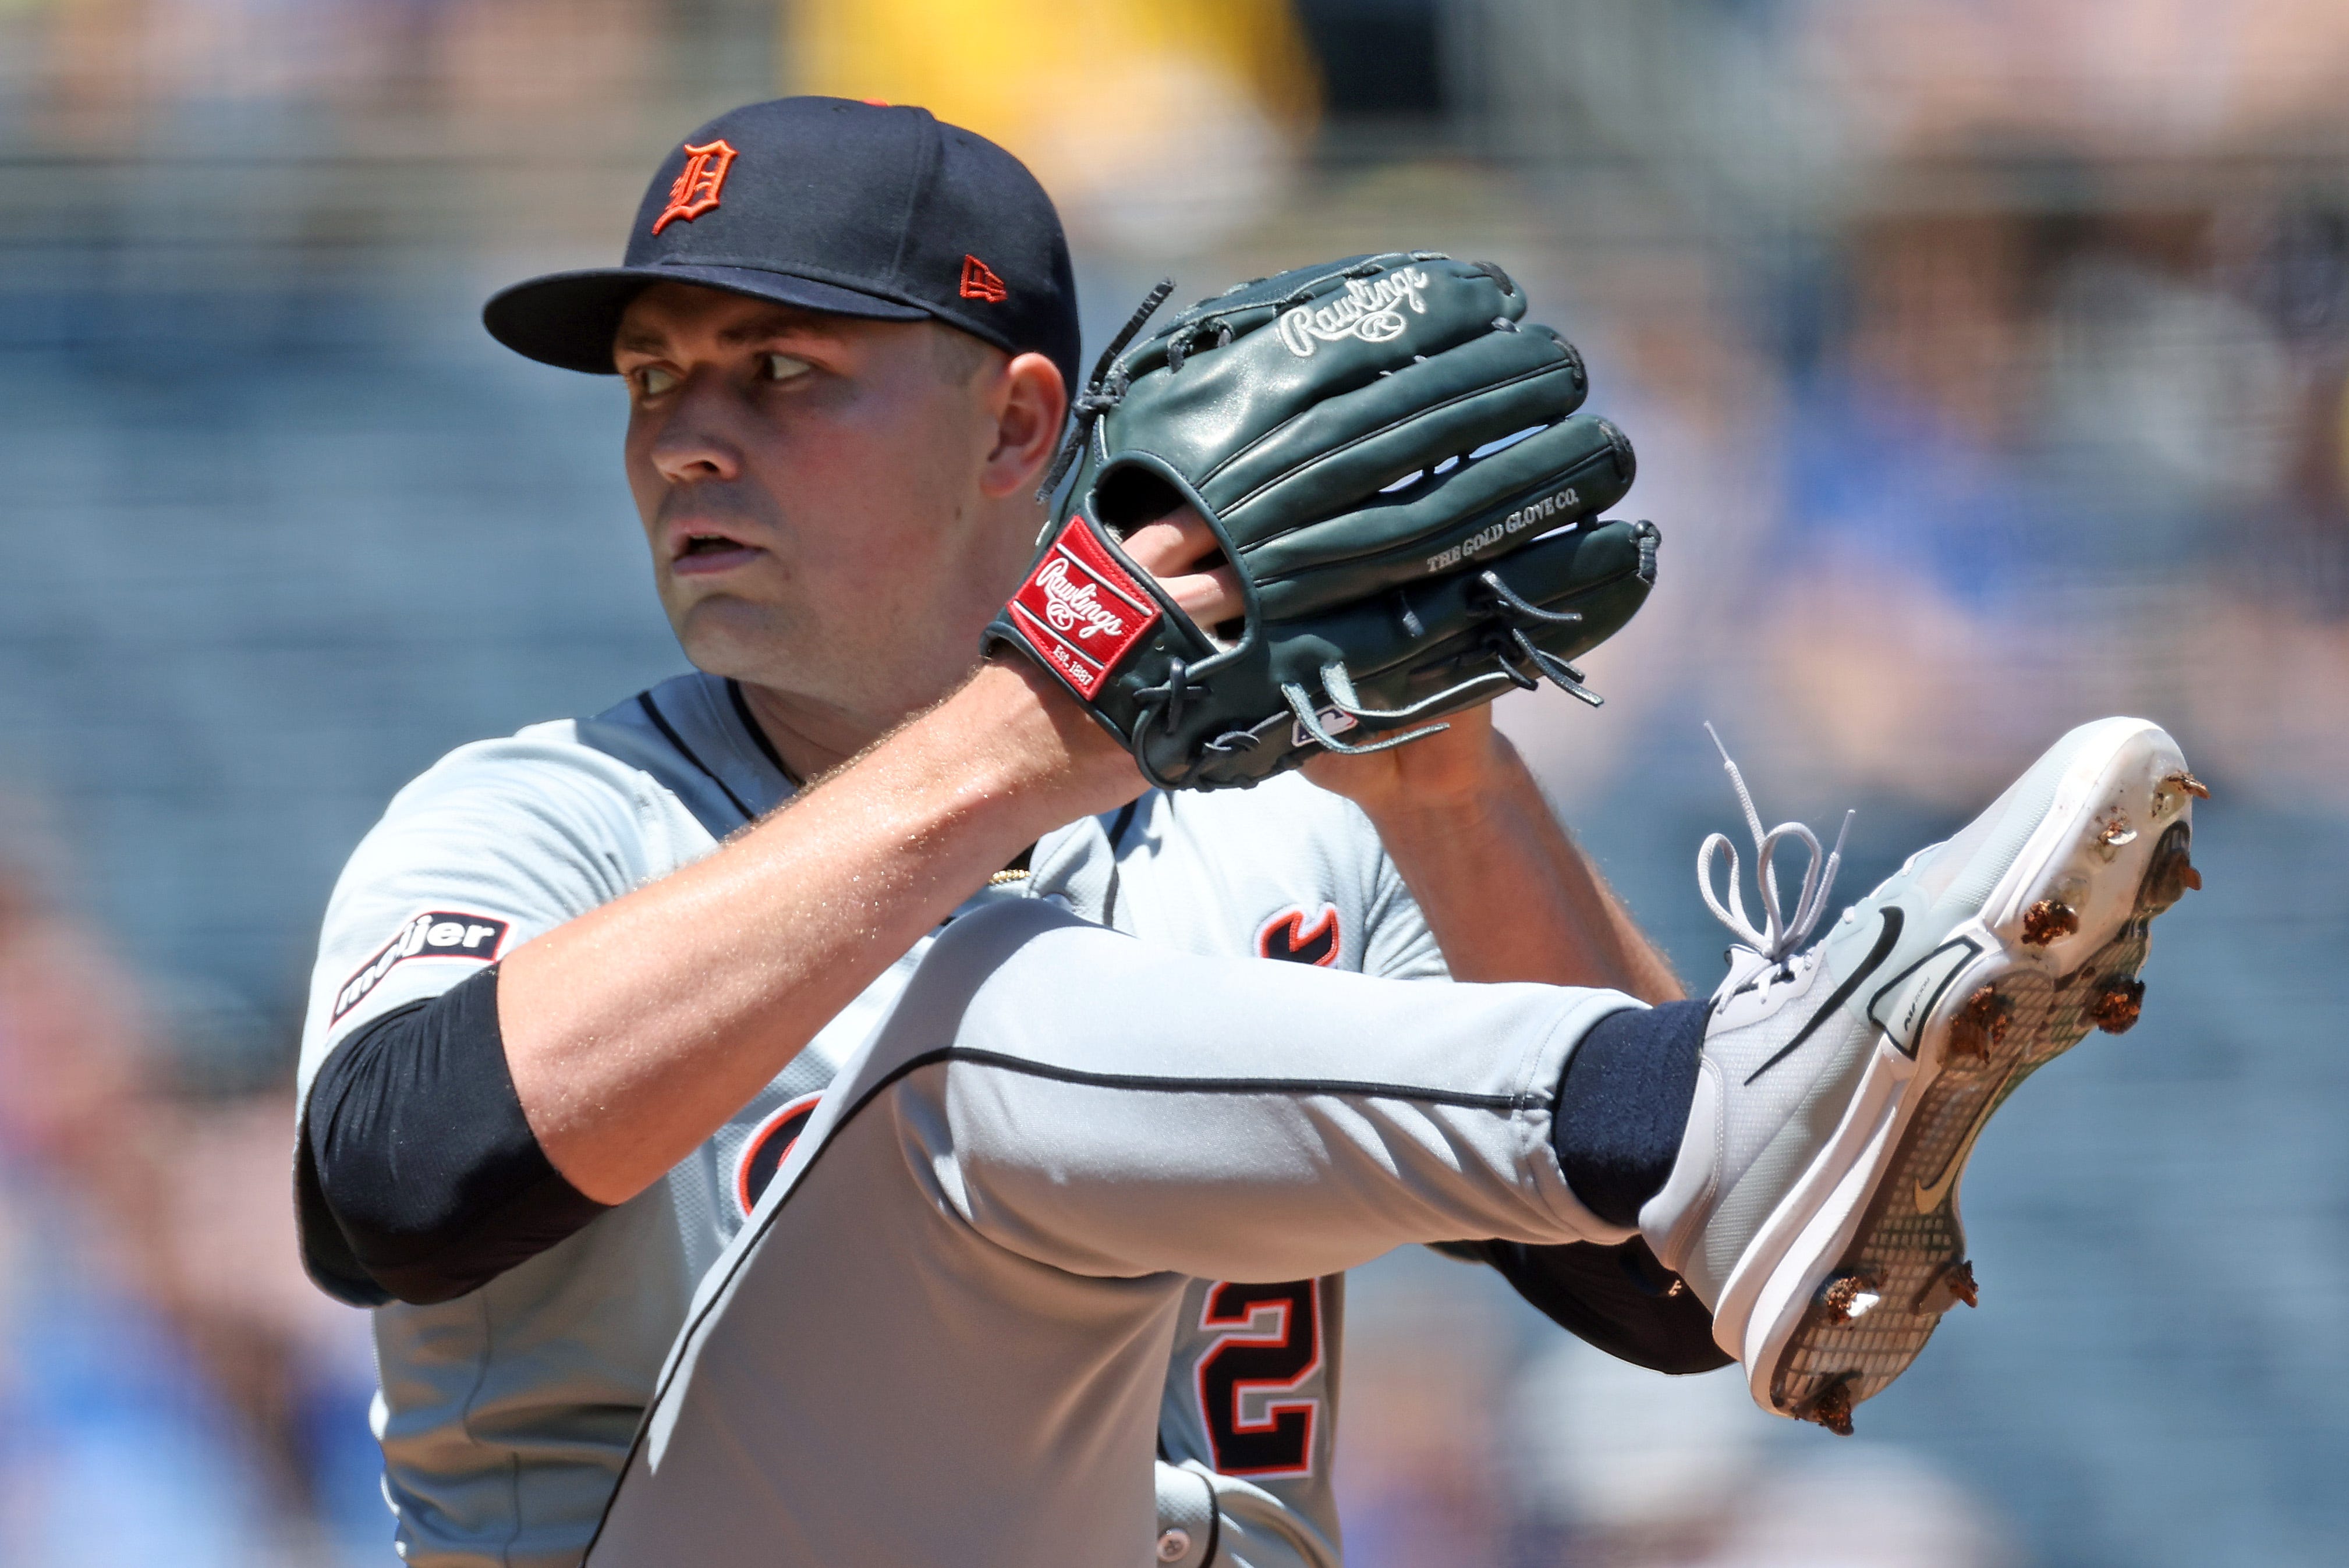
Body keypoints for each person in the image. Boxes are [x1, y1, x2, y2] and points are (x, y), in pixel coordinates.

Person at [295, 97, 2202, 1567]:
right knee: (971, 1005)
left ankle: (1718, 1089)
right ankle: (1719, 1080)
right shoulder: (539, 815)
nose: (685, 437)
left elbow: (1677, 1294)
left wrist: (1450, 784)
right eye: (654, 378)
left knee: (1632, 1134)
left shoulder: (1285, 840)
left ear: (1018, 423)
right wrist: (1032, 742)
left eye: (779, 371)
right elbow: (395, 1183)